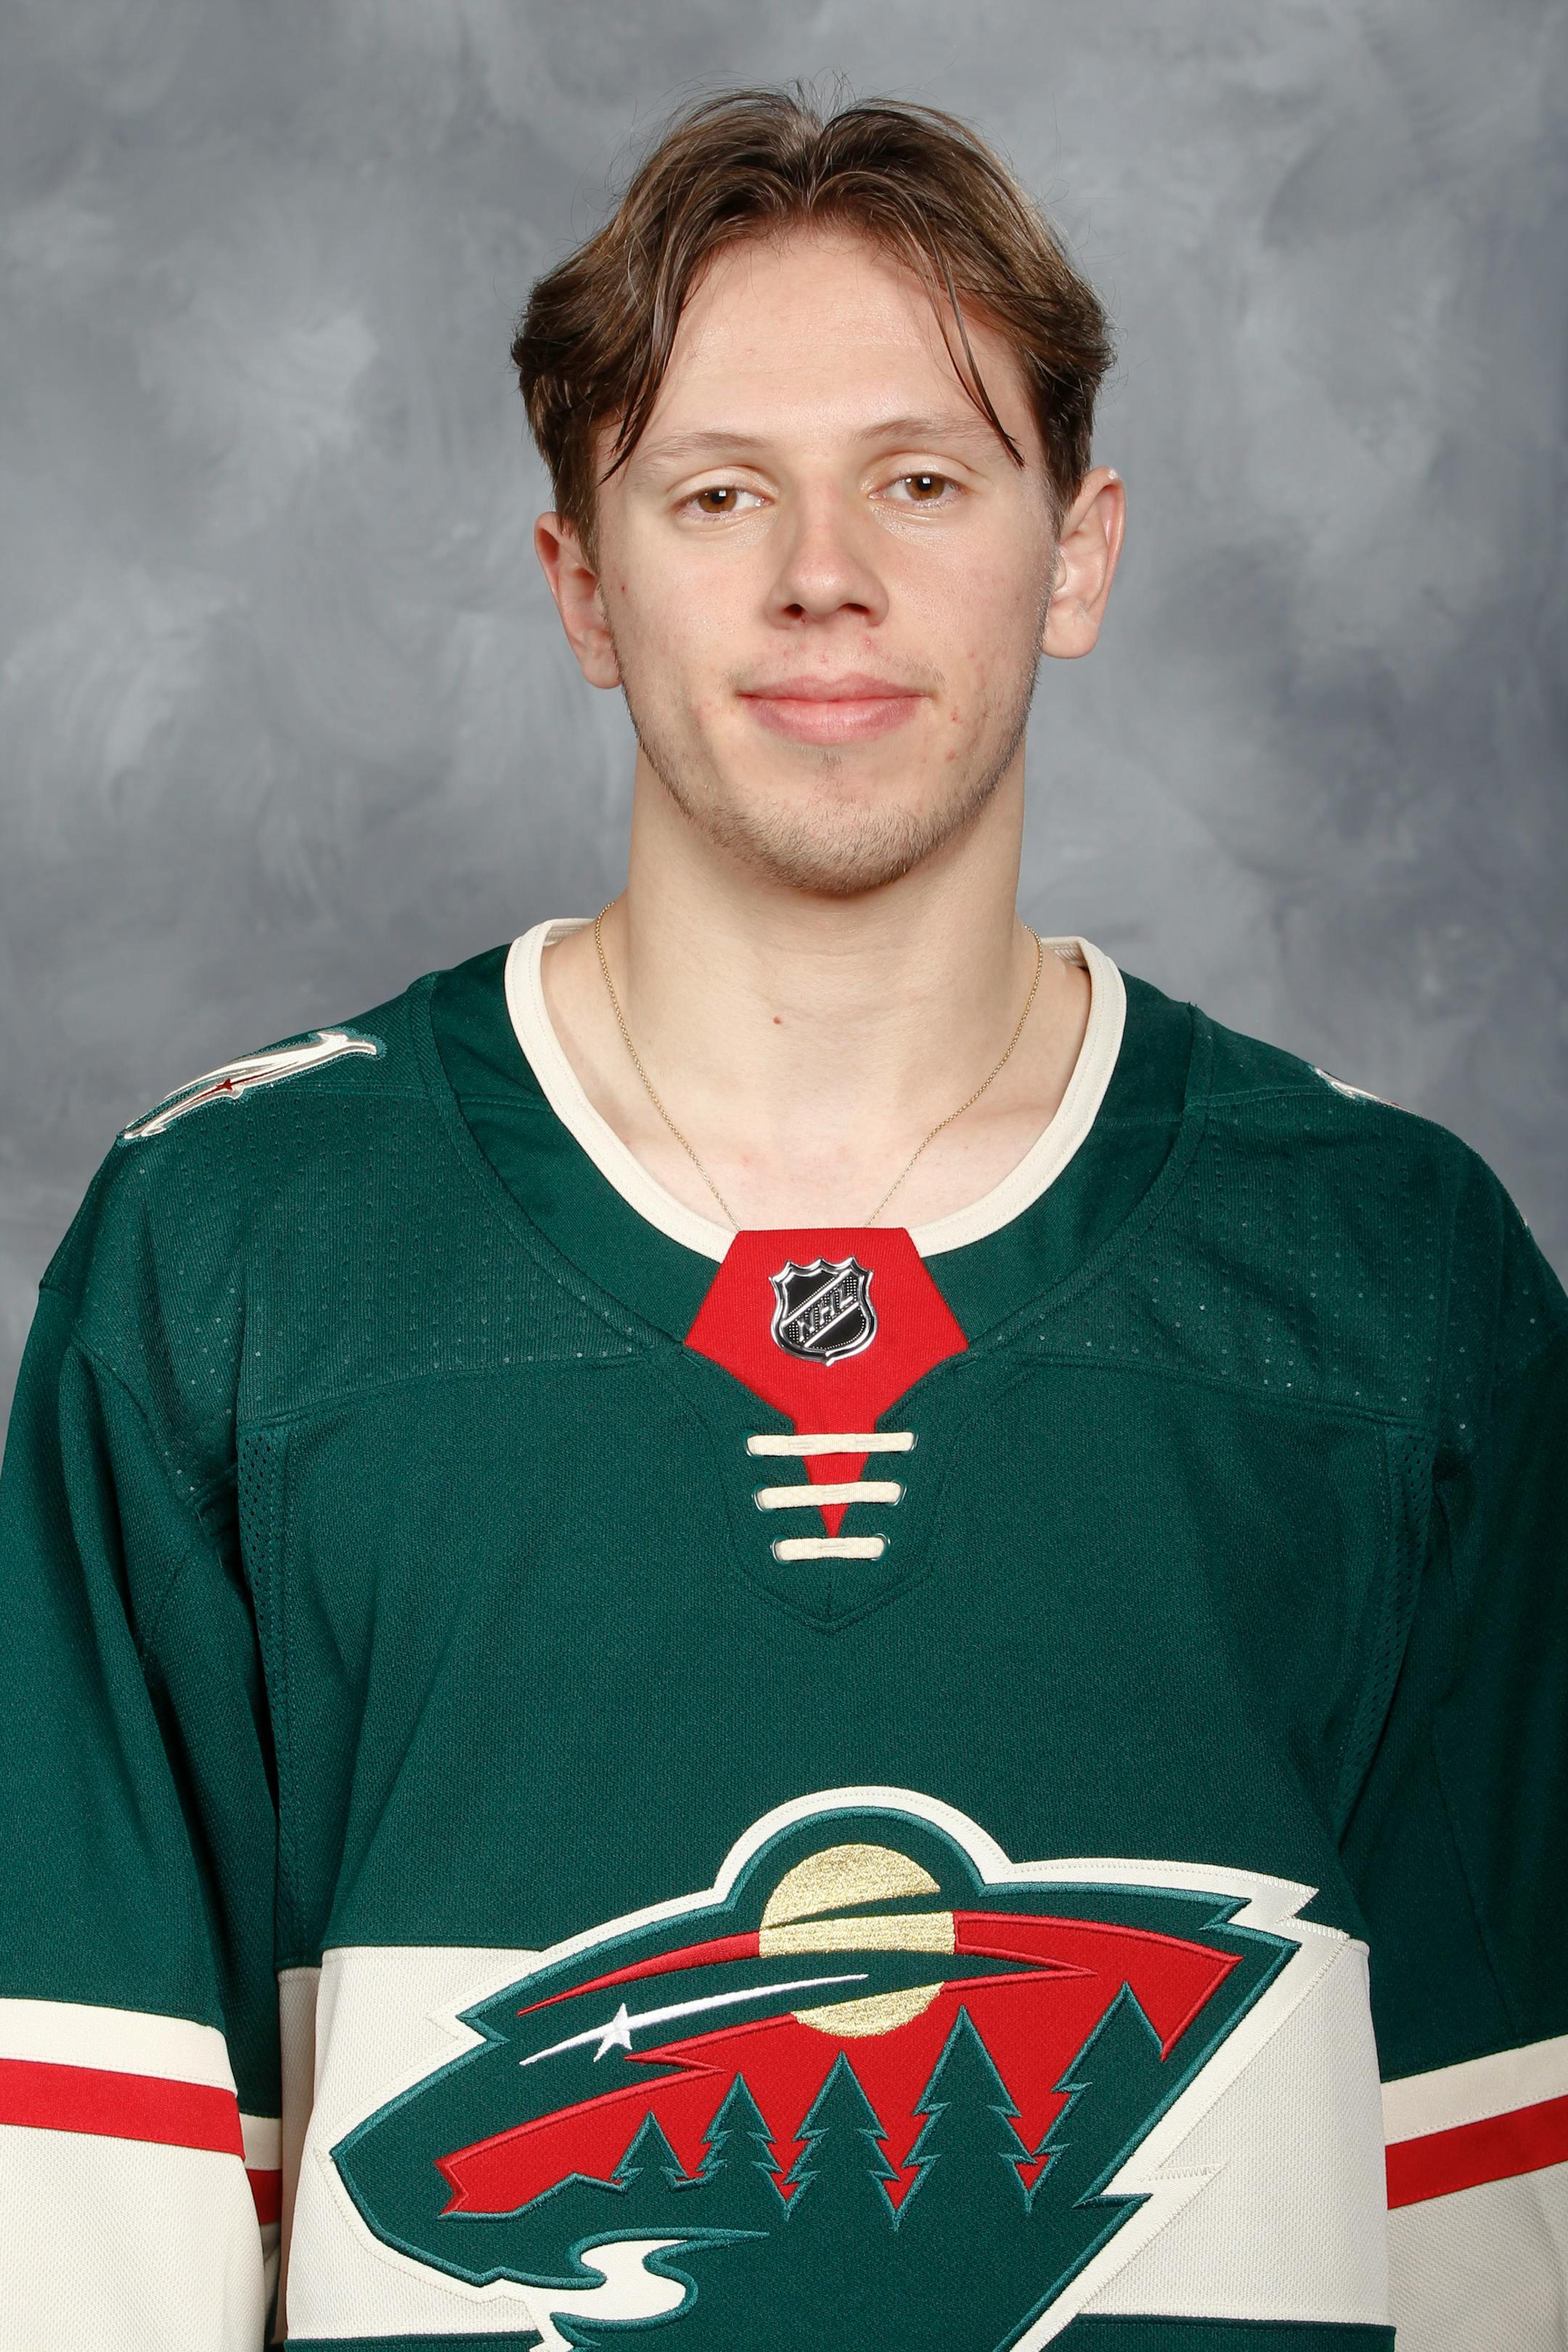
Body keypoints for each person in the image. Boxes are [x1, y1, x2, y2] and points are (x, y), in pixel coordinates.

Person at [0, 86, 1561, 2352]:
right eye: (718, 491)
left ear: (1080, 552)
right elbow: (84, 2231)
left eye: (922, 479)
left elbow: (1508, 2219)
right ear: (583, 584)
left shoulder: (1391, 1287)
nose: (824, 571)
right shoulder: (236, 1257)